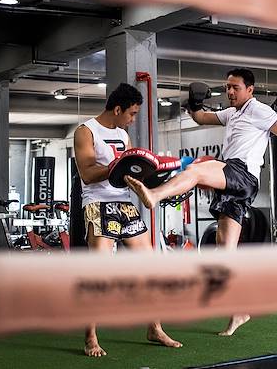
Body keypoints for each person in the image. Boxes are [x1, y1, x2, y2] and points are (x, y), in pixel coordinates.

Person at [125, 68, 277, 336]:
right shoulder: (231, 113)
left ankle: (155, 195)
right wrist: (194, 103)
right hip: (235, 183)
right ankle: (239, 312)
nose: (229, 92)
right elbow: (201, 118)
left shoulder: (260, 110)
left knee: (195, 171)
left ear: (249, 89)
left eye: (235, 88)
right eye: (227, 87)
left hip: (242, 173)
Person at [73, 83, 182, 357]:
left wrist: (155, 178)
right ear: (117, 109)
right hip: (98, 204)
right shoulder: (86, 131)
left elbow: (130, 171)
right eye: (131, 114)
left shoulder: (122, 134)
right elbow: (87, 173)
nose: (133, 120)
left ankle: (154, 328)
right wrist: (117, 166)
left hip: (124, 204)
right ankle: (90, 337)